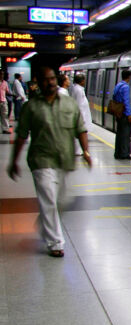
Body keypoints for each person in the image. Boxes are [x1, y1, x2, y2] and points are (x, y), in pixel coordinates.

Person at [7, 66, 91, 257]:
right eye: (46, 79)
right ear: (38, 82)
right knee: (49, 201)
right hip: (41, 160)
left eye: (53, 78)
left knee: (62, 200)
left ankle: (45, 223)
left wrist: (86, 152)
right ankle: (55, 243)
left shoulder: (69, 104)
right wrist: (14, 161)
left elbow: (81, 129)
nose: (50, 82)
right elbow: (21, 136)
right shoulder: (31, 107)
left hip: (65, 160)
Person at [112, 69, 131, 159]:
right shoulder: (125, 87)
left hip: (119, 113)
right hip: (124, 114)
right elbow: (126, 101)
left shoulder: (118, 85)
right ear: (129, 77)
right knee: (125, 134)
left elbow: (114, 97)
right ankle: (124, 154)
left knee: (119, 134)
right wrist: (129, 114)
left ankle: (118, 152)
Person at [70, 73, 92, 155]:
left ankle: (78, 150)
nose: (85, 81)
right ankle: (78, 150)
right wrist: (80, 117)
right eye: (84, 80)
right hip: (81, 115)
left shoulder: (77, 88)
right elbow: (79, 104)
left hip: (81, 114)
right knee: (79, 133)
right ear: (81, 81)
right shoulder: (78, 90)